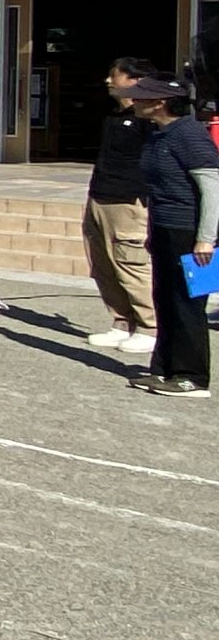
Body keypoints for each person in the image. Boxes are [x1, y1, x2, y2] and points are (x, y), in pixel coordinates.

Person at [126, 75, 217, 399]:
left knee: (188, 304)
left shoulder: (189, 134)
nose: (133, 102)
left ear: (160, 102)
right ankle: (165, 369)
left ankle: (192, 377)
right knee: (165, 300)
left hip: (190, 233)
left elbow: (212, 188)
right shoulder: (157, 134)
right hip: (165, 228)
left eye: (140, 98)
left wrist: (206, 238)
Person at [83, 58, 160, 356]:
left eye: (114, 76)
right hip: (101, 195)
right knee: (102, 263)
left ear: (133, 80)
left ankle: (149, 326)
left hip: (129, 201)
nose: (108, 81)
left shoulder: (149, 118)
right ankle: (121, 321)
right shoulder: (114, 116)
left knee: (130, 262)